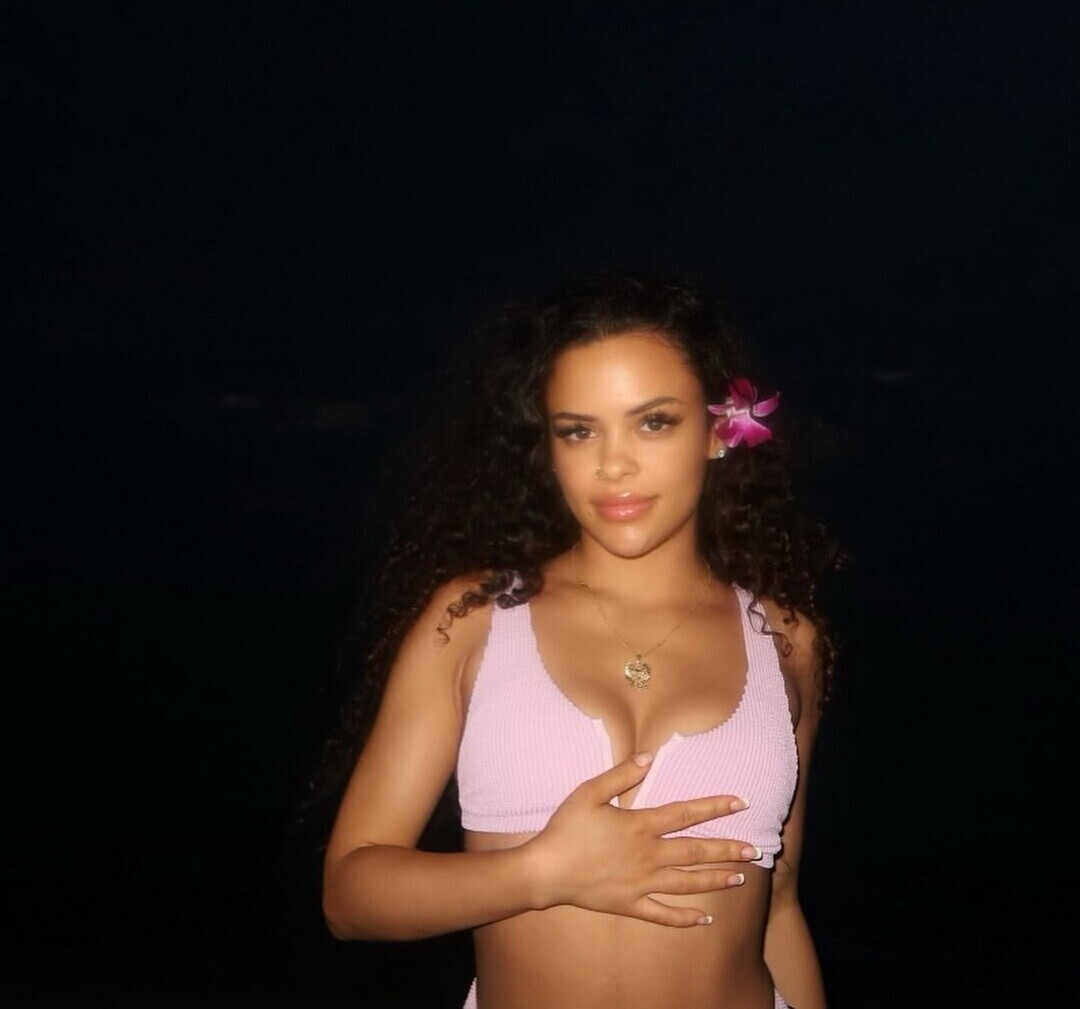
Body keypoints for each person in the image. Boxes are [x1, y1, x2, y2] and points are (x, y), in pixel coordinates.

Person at [318, 270, 842, 1009]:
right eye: (579, 430)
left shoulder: (786, 642)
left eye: (653, 422)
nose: (612, 464)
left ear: (719, 430)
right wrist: (542, 871)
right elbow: (350, 895)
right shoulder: (474, 620)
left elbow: (778, 905)